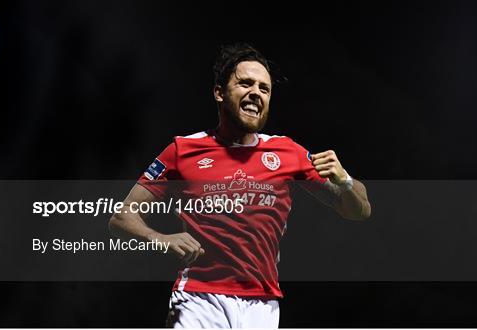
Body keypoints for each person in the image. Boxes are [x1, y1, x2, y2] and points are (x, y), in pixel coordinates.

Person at [109, 43, 371, 328]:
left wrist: (344, 181)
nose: (255, 93)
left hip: (262, 306)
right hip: (199, 299)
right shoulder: (182, 150)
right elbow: (122, 218)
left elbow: (359, 210)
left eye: (264, 88)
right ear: (219, 93)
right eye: (245, 83)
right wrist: (163, 239)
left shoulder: (288, 152)